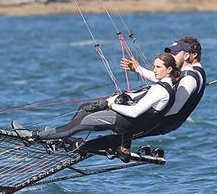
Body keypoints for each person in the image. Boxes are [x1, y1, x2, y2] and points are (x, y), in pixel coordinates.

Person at [13, 53, 180, 156]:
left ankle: (33, 136)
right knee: (83, 109)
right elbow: (152, 76)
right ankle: (61, 137)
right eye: (154, 66)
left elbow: (135, 112)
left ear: (169, 69)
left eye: (159, 67)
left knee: (80, 123)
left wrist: (110, 104)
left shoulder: (160, 91)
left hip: (126, 122)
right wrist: (137, 68)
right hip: (127, 120)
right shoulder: (167, 83)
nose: (155, 70)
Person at [121, 36, 206, 137]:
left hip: (161, 123)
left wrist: (142, 110)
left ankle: (118, 146)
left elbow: (173, 109)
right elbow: (168, 80)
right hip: (162, 122)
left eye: (175, 53)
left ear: (189, 55)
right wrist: (138, 69)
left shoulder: (189, 78)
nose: (170, 57)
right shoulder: (194, 71)